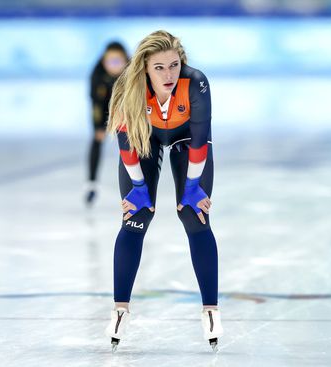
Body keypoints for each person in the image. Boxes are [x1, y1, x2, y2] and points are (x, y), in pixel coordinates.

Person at [103, 30, 223, 352]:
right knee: (136, 217)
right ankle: (120, 310)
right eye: (159, 68)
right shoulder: (129, 89)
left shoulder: (195, 83)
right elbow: (127, 148)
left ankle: (210, 310)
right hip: (148, 138)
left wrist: (194, 186)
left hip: (187, 139)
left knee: (194, 215)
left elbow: (199, 141)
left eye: (174, 65)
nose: (169, 74)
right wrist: (139, 187)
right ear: (144, 68)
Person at [85, 42, 129, 205]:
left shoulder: (133, 71)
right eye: (110, 61)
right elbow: (95, 105)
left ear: (125, 61)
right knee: (97, 140)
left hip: (126, 107)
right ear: (104, 62)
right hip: (104, 107)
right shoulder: (97, 75)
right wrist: (97, 126)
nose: (114, 66)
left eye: (118, 61)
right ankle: (91, 184)